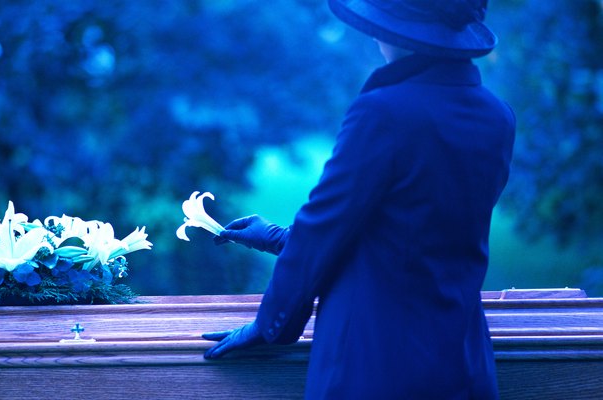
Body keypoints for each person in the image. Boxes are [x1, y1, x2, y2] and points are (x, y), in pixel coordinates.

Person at [201, 0, 516, 398]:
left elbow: (326, 228)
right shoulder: (497, 116)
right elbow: (410, 228)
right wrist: (275, 236)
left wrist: (270, 326)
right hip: (462, 360)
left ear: (395, 31)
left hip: (377, 362)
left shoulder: (384, 111)